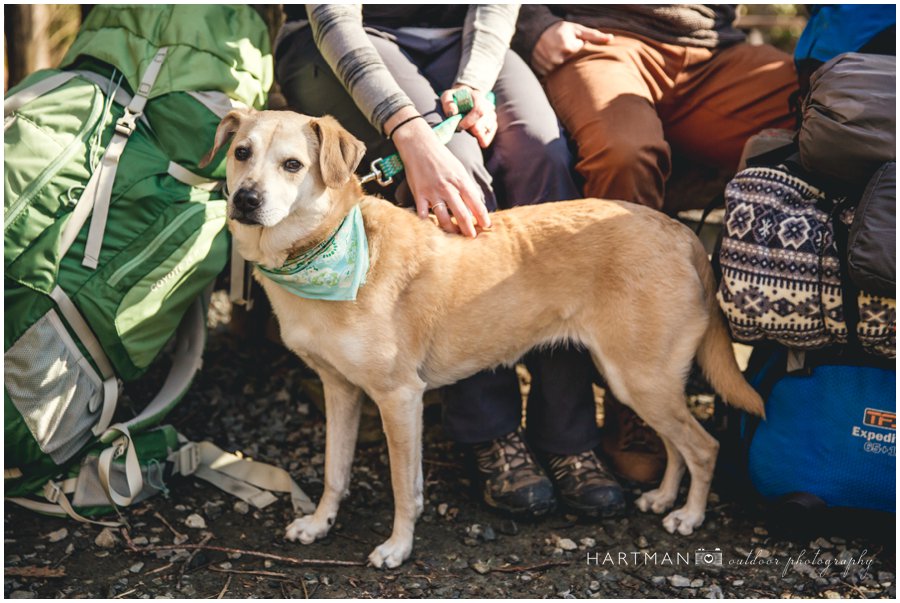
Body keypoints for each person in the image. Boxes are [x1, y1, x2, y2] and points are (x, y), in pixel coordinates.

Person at [274, 5, 625, 518]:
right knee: (456, 173)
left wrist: (473, 87)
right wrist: (410, 134)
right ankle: (489, 429)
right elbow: (333, 19)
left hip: (467, 39)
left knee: (543, 159)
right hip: (346, 45)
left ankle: (568, 433)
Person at [513, 5, 799, 483]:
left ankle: (810, 389)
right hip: (600, 40)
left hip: (712, 51)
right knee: (626, 154)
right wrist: (532, 25)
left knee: (838, 111)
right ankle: (637, 402)